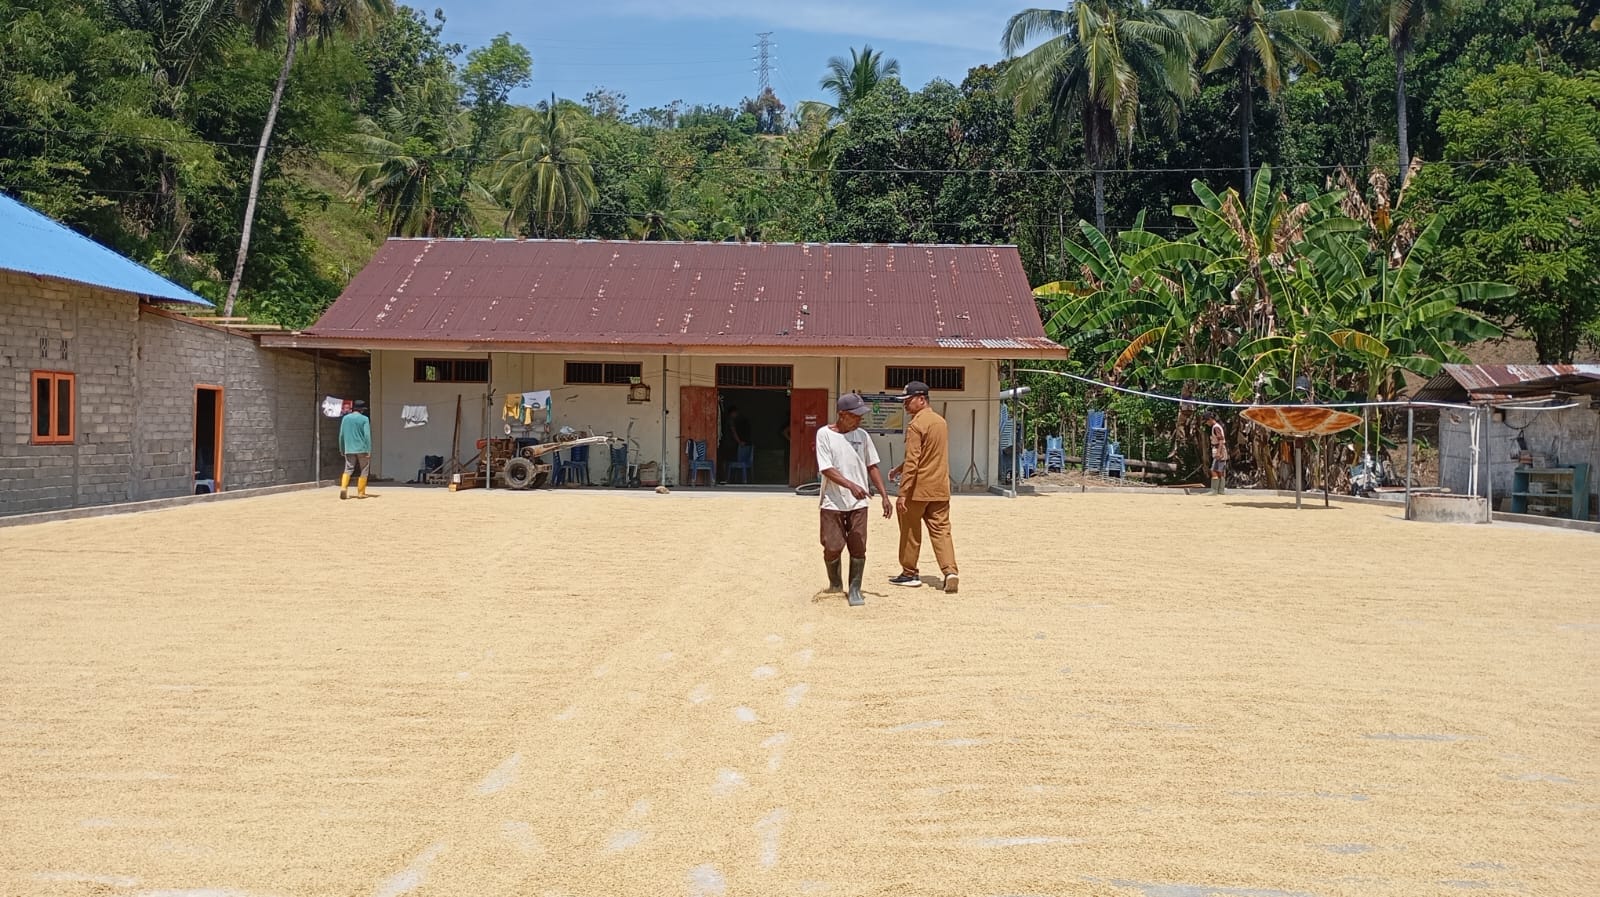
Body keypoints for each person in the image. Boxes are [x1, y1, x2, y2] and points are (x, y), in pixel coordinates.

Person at [816, 393, 892, 607]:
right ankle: (835, 583)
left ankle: (855, 588)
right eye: (855, 416)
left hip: (859, 503)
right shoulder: (824, 435)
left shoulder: (863, 436)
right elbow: (826, 468)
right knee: (832, 545)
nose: (859, 420)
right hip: (833, 502)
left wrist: (885, 495)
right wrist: (851, 485)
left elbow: (872, 465)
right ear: (842, 415)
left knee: (858, 546)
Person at [888, 381, 959, 593]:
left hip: (918, 490)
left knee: (910, 531)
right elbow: (928, 454)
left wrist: (902, 493)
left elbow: (914, 461)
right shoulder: (940, 422)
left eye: (908, 401)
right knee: (941, 530)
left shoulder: (916, 425)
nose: (905, 406)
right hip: (940, 488)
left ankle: (909, 573)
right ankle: (950, 571)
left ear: (921, 399)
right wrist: (899, 468)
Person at [339, 399, 372, 500]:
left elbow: (341, 435)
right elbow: (367, 435)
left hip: (349, 448)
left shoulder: (345, 419)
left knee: (348, 469)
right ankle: (361, 492)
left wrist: (342, 448)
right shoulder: (364, 419)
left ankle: (344, 488)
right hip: (362, 448)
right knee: (364, 469)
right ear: (362, 410)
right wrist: (369, 449)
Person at [1203, 409, 1227, 495]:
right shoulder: (1217, 426)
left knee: (1214, 470)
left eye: (1206, 421)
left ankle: (1214, 490)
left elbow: (1221, 440)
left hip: (1219, 448)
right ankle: (1220, 490)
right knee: (1220, 470)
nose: (1206, 423)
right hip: (1219, 448)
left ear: (1210, 419)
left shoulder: (1216, 427)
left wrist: (1218, 452)